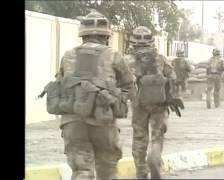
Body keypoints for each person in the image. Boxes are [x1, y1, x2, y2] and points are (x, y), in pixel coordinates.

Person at [52, 10, 134, 180]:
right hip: (103, 122)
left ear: (83, 35)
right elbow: (130, 87)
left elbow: (60, 84)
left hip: (72, 122)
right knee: (108, 171)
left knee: (81, 171)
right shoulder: (113, 55)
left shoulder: (68, 55)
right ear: (106, 36)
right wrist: (117, 99)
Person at [128, 26, 176, 179]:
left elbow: (124, 83)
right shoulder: (160, 58)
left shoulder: (129, 60)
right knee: (157, 136)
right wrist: (170, 96)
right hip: (159, 104)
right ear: (151, 41)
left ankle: (142, 173)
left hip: (139, 105)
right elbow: (172, 77)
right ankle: (154, 156)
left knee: (139, 139)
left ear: (133, 41)